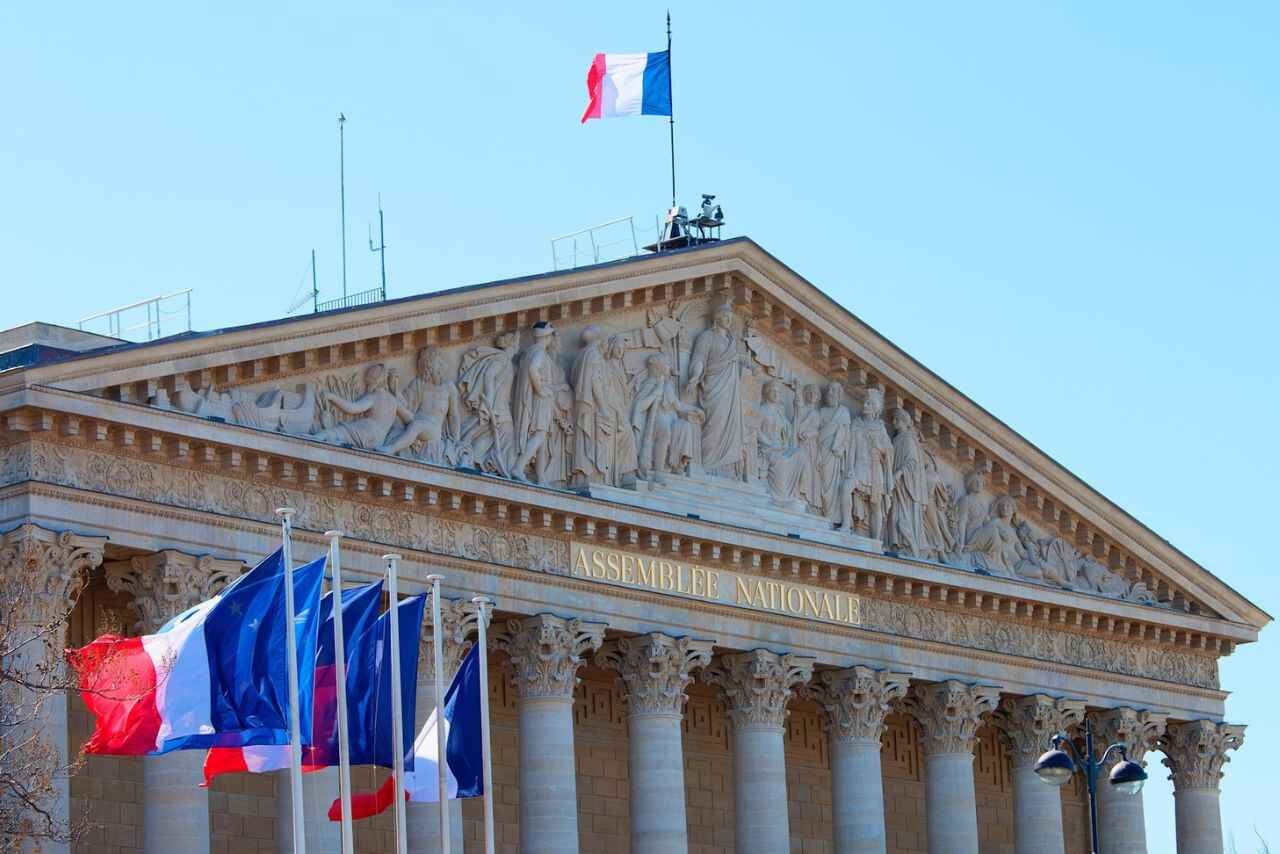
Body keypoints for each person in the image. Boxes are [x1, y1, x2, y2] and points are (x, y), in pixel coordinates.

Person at [686, 301, 749, 479]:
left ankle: (727, 469)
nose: (728, 319)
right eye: (725, 316)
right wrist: (695, 376)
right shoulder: (707, 337)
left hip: (731, 391)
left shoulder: (732, 342)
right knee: (714, 423)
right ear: (717, 317)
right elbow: (699, 358)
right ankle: (708, 464)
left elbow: (739, 361)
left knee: (730, 426)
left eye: (730, 317)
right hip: (714, 387)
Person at [571, 326, 638, 488]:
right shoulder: (594, 355)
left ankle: (598, 477)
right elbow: (596, 382)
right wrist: (603, 407)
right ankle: (596, 478)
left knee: (596, 442)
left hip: (589, 407)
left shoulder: (582, 355)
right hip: (595, 409)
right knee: (598, 443)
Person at [376, 347, 462, 464]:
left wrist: (456, 440)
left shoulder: (449, 387)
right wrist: (394, 389)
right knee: (395, 403)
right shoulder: (419, 383)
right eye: (436, 363)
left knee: (418, 425)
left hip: (433, 430)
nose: (440, 366)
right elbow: (405, 404)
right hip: (413, 421)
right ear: (428, 366)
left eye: (440, 362)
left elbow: (453, 415)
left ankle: (391, 449)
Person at [632, 353, 703, 485]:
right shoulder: (649, 383)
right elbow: (639, 406)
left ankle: (678, 465)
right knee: (665, 430)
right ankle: (658, 471)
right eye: (667, 364)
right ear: (659, 367)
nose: (670, 367)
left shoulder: (668, 385)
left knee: (685, 426)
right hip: (655, 419)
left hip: (670, 417)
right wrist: (654, 394)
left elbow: (678, 406)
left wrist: (695, 410)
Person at [456, 331, 520, 477]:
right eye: (517, 343)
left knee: (489, 433)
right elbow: (489, 374)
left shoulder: (507, 362)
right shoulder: (502, 358)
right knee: (495, 431)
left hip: (501, 405)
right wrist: (489, 399)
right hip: (496, 405)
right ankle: (467, 456)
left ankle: (475, 457)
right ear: (513, 344)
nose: (518, 346)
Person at [312, 363, 412, 450]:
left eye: (368, 381)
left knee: (339, 431)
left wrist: (332, 397)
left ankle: (315, 439)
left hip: (366, 430)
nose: (366, 384)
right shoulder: (393, 401)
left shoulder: (374, 397)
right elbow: (410, 418)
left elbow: (352, 408)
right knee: (343, 437)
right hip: (378, 440)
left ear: (375, 381)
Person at [512, 321, 565, 483]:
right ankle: (518, 467)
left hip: (541, 399)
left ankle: (541, 477)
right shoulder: (539, 353)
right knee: (540, 435)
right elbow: (533, 369)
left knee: (543, 436)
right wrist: (541, 389)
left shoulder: (530, 352)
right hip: (539, 400)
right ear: (547, 337)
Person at [849, 387, 893, 540]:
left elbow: (888, 449)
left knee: (876, 505)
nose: (865, 405)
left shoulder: (880, 428)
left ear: (875, 408)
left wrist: (880, 447)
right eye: (865, 402)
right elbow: (850, 446)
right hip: (860, 466)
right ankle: (850, 525)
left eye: (869, 403)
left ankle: (875, 541)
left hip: (875, 468)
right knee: (849, 490)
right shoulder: (856, 424)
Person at [887, 408, 928, 556]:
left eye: (897, 420)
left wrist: (899, 473)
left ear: (904, 421)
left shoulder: (908, 439)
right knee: (895, 515)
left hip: (905, 486)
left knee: (902, 517)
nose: (894, 422)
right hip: (896, 485)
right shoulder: (896, 439)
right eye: (894, 420)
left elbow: (912, 462)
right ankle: (896, 543)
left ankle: (908, 545)